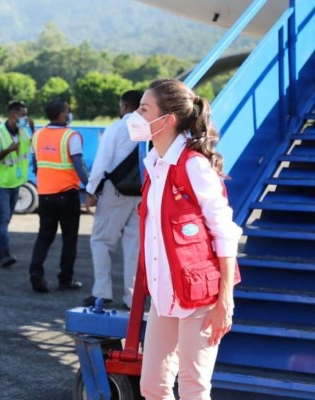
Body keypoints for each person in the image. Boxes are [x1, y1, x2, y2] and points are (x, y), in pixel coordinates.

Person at [128, 79, 242, 400]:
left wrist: (225, 302)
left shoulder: (193, 165)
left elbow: (225, 233)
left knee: (193, 387)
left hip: (199, 299)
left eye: (143, 109)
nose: (135, 116)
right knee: (152, 385)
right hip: (166, 295)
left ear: (168, 119)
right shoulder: (155, 164)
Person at [82, 90, 143, 309]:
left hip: (115, 191)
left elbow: (102, 162)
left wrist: (91, 190)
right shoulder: (152, 129)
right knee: (134, 245)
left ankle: (102, 292)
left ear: (125, 106)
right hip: (141, 194)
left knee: (101, 240)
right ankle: (132, 297)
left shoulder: (117, 128)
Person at [28, 99, 88, 293]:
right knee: (69, 239)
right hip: (67, 194)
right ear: (63, 114)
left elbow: (36, 165)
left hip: (45, 194)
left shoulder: (37, 136)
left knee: (44, 236)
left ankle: (36, 272)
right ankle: (65, 278)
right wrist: (90, 187)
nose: (70, 114)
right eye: (68, 111)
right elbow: (79, 166)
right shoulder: (71, 136)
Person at [0, 101, 31, 267]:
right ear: (13, 116)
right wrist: (9, 150)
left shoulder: (23, 132)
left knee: (6, 219)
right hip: (0, 183)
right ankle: (5, 254)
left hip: (16, 182)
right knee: (4, 218)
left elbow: (31, 145)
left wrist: (31, 128)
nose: (25, 118)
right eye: (23, 115)